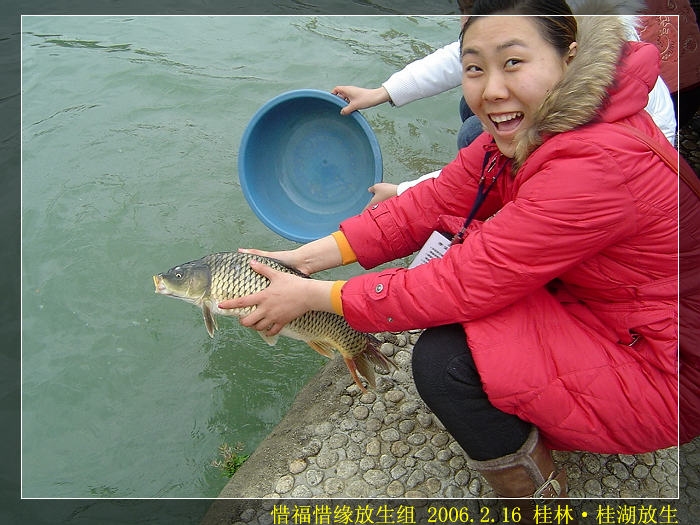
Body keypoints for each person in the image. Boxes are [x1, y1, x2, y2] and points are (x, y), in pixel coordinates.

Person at [221, 1, 680, 515]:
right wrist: (303, 260)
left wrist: (313, 298)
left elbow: (458, 283)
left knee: (446, 363)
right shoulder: (538, 128)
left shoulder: (594, 165)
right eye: (474, 68)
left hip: (667, 369)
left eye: (513, 63)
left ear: (568, 58)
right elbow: (430, 203)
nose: (492, 90)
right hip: (612, 309)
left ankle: (540, 498)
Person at [332, 1, 678, 208]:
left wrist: (403, 191)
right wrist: (382, 92)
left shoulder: (589, 138)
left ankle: (504, 197)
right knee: (477, 107)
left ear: (568, 57)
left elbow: (477, 273)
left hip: (626, 188)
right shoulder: (549, 26)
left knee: (476, 133)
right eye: (464, 13)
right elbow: (459, 56)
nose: (465, 24)